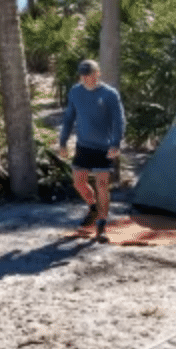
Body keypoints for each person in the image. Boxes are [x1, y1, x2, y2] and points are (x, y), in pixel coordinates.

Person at [58, 59, 125, 242]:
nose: (86, 78)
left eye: (89, 74)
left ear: (98, 73)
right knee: (79, 182)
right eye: (83, 74)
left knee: (102, 185)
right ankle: (93, 208)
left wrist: (116, 144)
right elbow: (69, 118)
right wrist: (63, 141)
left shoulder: (110, 94)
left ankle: (102, 224)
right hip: (83, 145)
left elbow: (119, 121)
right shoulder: (75, 92)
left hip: (104, 148)